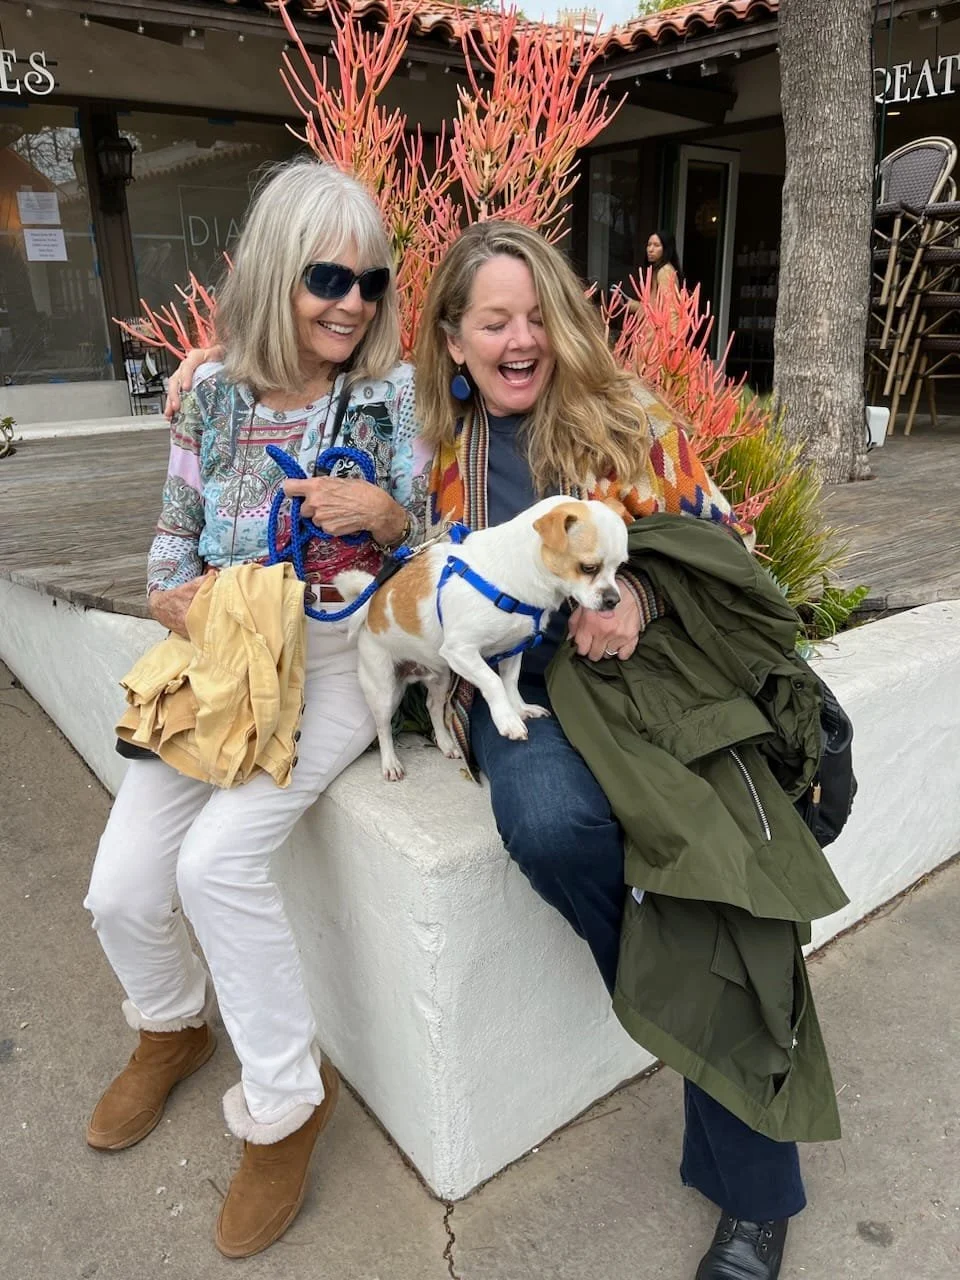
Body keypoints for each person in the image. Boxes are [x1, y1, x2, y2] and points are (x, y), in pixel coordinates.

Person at [413, 220, 809, 1280]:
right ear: (454, 337)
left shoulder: (629, 419)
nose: (521, 338)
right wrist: (207, 378)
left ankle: (755, 1197)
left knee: (719, 888)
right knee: (553, 824)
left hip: (647, 685)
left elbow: (729, 550)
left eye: (538, 314)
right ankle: (685, 987)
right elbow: (295, 400)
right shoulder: (436, 448)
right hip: (522, 696)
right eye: (494, 319)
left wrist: (638, 589)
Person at [84, 157, 430, 1261]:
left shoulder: (389, 395)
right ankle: (172, 1025)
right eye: (327, 275)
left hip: (333, 659)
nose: (352, 302)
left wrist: (384, 515)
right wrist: (185, 603)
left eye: (371, 281)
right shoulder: (215, 395)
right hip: (227, 660)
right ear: (280, 271)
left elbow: (434, 559)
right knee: (120, 886)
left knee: (215, 865)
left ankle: (286, 1102)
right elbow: (166, 549)